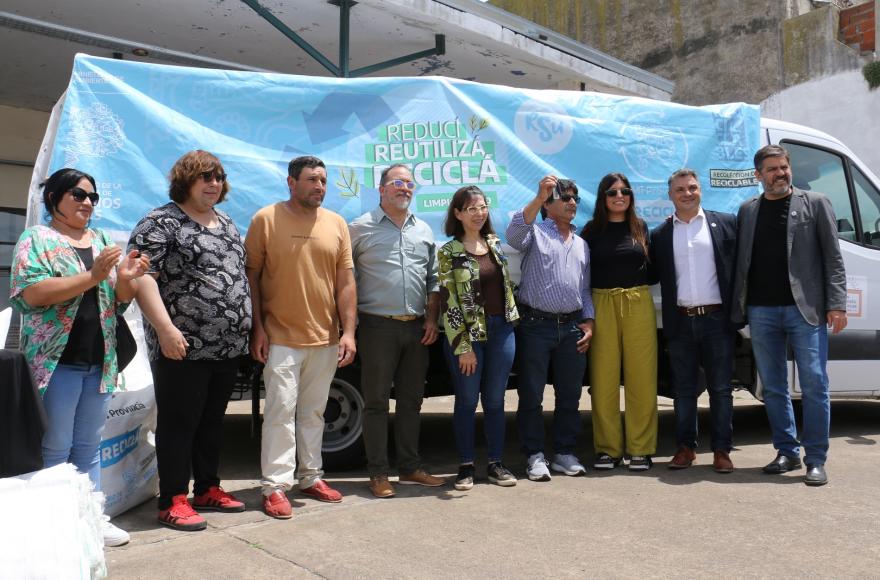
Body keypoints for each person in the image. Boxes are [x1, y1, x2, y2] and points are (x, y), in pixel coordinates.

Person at [10, 167, 149, 546]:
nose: (87, 202)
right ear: (54, 198)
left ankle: (92, 518)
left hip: (100, 360)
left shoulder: (101, 239)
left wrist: (127, 277)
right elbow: (33, 293)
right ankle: (57, 525)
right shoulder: (36, 239)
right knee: (56, 444)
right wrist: (92, 275)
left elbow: (118, 302)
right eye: (78, 194)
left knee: (89, 445)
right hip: (56, 361)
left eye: (93, 197)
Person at [129, 150, 252, 531]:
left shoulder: (226, 222)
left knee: (212, 421)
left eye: (218, 177)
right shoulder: (160, 222)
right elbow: (140, 277)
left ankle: (207, 488)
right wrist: (165, 330)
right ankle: (173, 499)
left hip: (227, 346)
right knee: (179, 422)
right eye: (204, 177)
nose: (213, 183)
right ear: (185, 180)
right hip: (182, 345)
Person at [246, 155, 357, 518]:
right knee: (279, 413)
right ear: (291, 183)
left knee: (313, 414)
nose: (319, 186)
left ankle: (310, 476)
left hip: (325, 338)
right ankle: (275, 486)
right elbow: (252, 279)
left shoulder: (337, 223)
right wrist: (258, 328)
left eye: (323, 180)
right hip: (280, 337)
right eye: (311, 179)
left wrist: (349, 332)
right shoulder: (266, 220)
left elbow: (345, 283)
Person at [732, 145, 847, 486]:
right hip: (762, 310)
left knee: (814, 383)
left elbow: (833, 258)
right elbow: (742, 260)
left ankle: (815, 458)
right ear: (758, 175)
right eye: (772, 169)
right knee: (774, 387)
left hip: (805, 310)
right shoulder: (748, 210)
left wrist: (836, 304)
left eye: (784, 167)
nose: (780, 173)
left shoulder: (815, 203)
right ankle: (786, 451)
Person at [349, 163, 443, 498]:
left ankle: (409, 468)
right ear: (382, 189)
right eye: (397, 182)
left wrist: (431, 320)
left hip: (417, 329)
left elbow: (434, 280)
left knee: (411, 402)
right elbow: (345, 278)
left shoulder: (424, 231)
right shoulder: (360, 228)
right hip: (376, 327)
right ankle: (377, 473)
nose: (405, 188)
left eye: (409, 184)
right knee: (375, 402)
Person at [506, 176, 594, 482]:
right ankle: (534, 455)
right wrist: (539, 194)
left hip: (571, 328)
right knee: (531, 395)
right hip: (535, 326)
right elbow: (515, 234)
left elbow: (584, 290)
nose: (572, 202)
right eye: (565, 197)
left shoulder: (582, 243)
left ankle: (565, 453)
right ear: (548, 204)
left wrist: (589, 322)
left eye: (575, 198)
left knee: (570, 394)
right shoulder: (535, 234)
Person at [650, 169, 737, 473]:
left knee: (721, 389)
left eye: (692, 188)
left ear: (700, 190)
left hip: (717, 320)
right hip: (681, 322)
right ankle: (686, 448)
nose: (687, 193)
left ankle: (722, 450)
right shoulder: (660, 234)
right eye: (680, 190)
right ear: (671, 195)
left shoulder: (725, 223)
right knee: (684, 391)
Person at [439, 186, 519, 491]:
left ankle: (496, 464)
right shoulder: (449, 252)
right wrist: (463, 347)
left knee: (496, 401)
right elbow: (449, 302)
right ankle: (465, 466)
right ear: (458, 214)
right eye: (471, 208)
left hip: (502, 331)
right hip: (468, 337)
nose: (478, 213)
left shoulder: (496, 245)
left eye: (482, 207)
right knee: (468, 400)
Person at [581, 172, 657, 471]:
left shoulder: (641, 228)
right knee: (603, 380)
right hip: (601, 303)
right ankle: (608, 449)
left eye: (624, 191)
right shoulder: (590, 231)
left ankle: (640, 447)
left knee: (642, 378)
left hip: (637, 302)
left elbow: (653, 270)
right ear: (603, 198)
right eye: (611, 192)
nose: (619, 196)